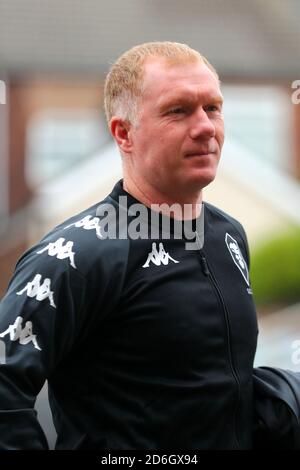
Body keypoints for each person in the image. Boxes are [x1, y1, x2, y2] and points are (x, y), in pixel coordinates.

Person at [0, 41, 298, 450]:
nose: (206, 126)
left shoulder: (229, 235)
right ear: (124, 133)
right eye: (178, 111)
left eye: (212, 108)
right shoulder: (77, 254)